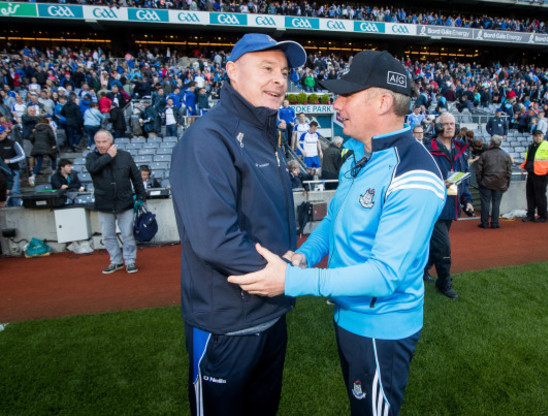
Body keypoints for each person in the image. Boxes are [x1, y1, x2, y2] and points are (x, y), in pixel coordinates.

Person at [227, 50, 446, 416]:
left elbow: (384, 276)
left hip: (382, 329)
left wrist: (294, 279)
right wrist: (305, 254)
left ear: (382, 101)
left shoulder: (414, 175)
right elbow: (334, 222)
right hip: (350, 317)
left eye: (347, 94)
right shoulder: (358, 153)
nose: (336, 103)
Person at [169, 33, 306, 416]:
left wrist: (287, 264)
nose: (280, 79)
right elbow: (215, 239)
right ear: (231, 71)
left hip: (271, 313)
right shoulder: (208, 138)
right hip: (225, 322)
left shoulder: (268, 136)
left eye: (284, 71)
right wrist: (284, 276)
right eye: (266, 68)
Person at [425, 111, 473, 300]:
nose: (450, 127)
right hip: (434, 208)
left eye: (452, 123)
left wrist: (467, 201)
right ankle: (444, 283)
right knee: (443, 248)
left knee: (433, 244)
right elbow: (422, 180)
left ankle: (422, 271)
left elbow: (463, 181)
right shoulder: (428, 151)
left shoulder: (460, 150)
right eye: (445, 124)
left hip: (451, 207)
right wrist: (439, 184)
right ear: (437, 127)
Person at [86, 130, 146, 274]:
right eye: (98, 142)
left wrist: (140, 197)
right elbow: (93, 169)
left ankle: (130, 261)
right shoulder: (91, 157)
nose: (100, 145)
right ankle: (116, 261)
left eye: (104, 142)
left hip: (124, 202)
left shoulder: (125, 156)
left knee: (127, 234)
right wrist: (108, 156)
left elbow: (136, 177)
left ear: (111, 142)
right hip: (104, 203)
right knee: (107, 235)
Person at [520, 130, 548, 223]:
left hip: (542, 174)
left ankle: (543, 216)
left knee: (540, 196)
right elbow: (528, 159)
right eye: (536, 136)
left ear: (543, 136)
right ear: (533, 137)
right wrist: (523, 167)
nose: (538, 137)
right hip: (532, 173)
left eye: (540, 135)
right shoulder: (531, 146)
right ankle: (530, 215)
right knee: (530, 195)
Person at [475, 135, 511, 229]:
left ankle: (485, 223)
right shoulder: (505, 155)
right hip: (500, 183)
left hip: (486, 182)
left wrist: (480, 182)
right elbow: (509, 172)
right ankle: (495, 223)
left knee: (485, 203)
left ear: (491, 143)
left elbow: (478, 170)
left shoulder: (485, 154)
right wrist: (507, 184)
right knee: (496, 203)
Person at [0, 125, 25, 206]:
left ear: (5, 133)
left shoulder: (13, 143)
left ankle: (16, 208)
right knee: (3, 192)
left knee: (14, 191)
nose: (0, 135)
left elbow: (22, 155)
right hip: (1, 172)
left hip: (13, 170)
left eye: (1, 133)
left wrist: (10, 161)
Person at [28, 117, 57, 186]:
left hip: (37, 147)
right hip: (47, 147)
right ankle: (53, 172)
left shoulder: (36, 130)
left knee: (39, 163)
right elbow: (52, 137)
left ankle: (33, 176)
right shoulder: (48, 129)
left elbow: (31, 137)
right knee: (53, 158)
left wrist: (35, 143)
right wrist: (53, 144)